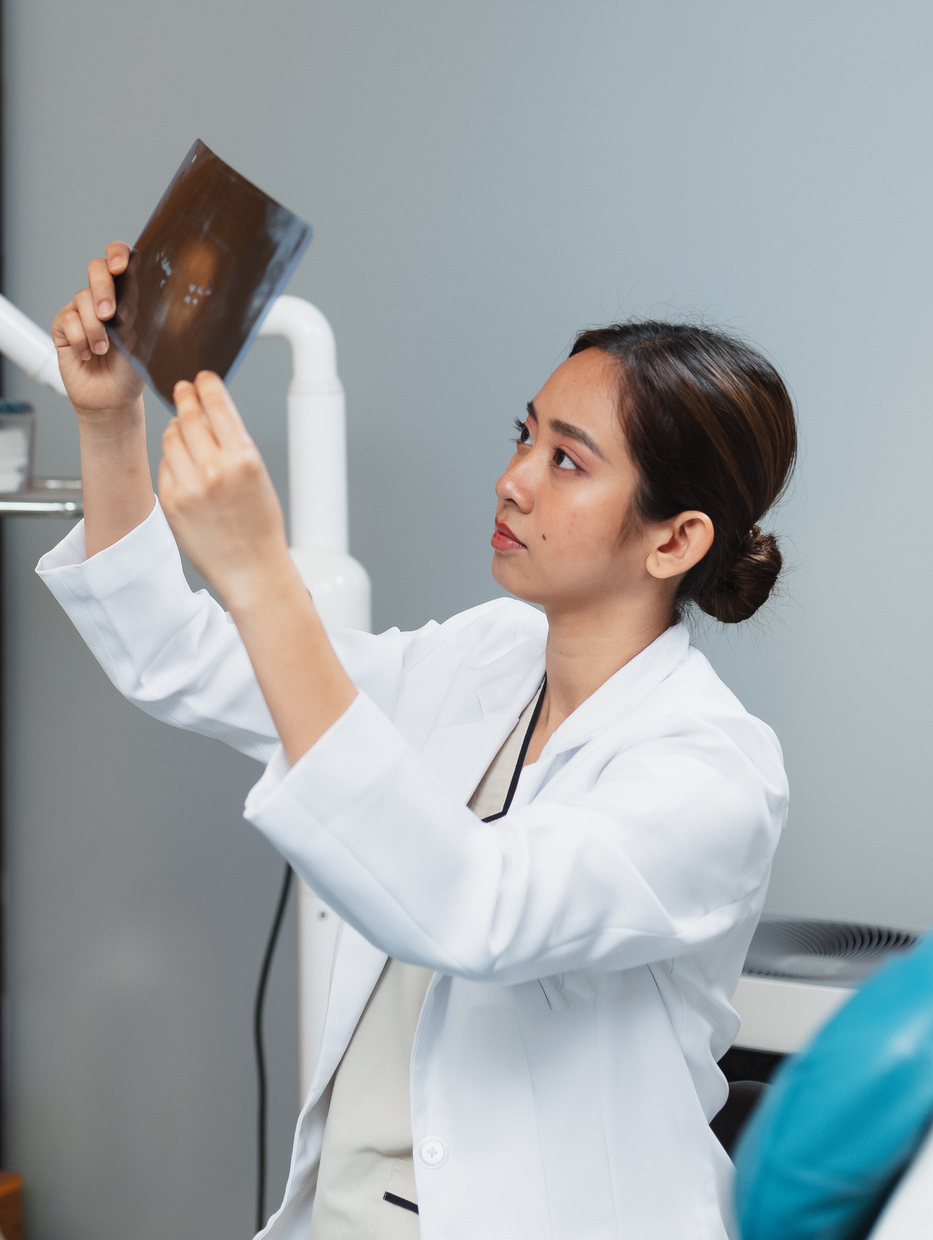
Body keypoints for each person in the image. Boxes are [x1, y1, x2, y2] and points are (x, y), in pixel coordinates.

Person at [39, 243, 797, 1240]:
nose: (512, 478)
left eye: (565, 459)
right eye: (523, 435)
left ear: (674, 539)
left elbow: (472, 908)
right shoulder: (483, 659)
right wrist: (106, 422)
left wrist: (263, 573)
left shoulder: (711, 773)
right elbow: (178, 658)